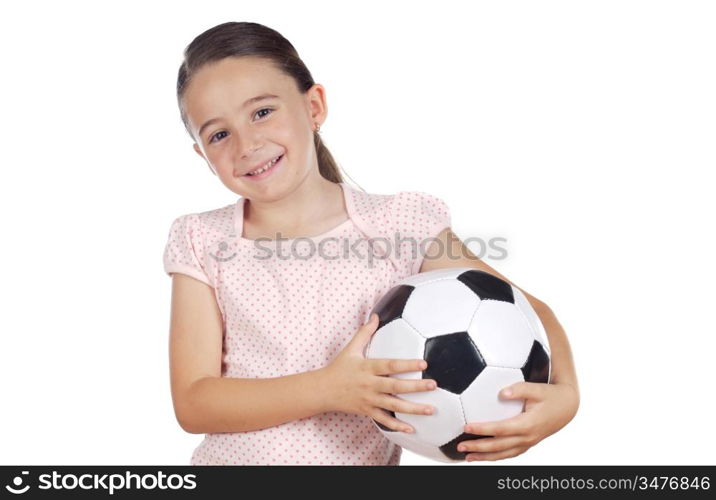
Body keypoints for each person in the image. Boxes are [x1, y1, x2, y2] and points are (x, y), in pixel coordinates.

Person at [163, 21, 580, 465]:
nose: (247, 144)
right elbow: (194, 402)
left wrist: (566, 398)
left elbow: (532, 312)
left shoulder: (399, 226)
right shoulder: (203, 239)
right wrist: (330, 388)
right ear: (203, 156)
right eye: (219, 135)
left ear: (314, 106)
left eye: (263, 112)